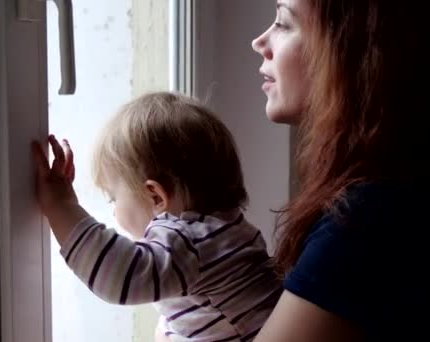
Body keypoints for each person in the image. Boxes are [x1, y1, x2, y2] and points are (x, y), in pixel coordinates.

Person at [250, 0, 430, 341]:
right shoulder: (423, 181)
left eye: (283, 22)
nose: (260, 41)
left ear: (352, 51)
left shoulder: (368, 221)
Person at [32, 92, 281, 341]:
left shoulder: (187, 241)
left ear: (156, 197)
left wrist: (60, 206)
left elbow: (118, 275)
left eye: (114, 198)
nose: (114, 211)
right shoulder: (228, 230)